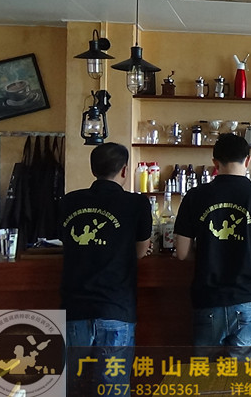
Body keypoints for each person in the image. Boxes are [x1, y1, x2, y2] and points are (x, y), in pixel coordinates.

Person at [174, 133, 251, 353]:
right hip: (248, 298)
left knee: (207, 373)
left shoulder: (194, 196)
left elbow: (182, 252)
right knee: (242, 375)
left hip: (208, 299)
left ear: (215, 163)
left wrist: (209, 252)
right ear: (248, 160)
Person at [59, 142, 151, 393]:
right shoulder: (137, 204)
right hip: (116, 308)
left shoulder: (68, 201)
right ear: (125, 170)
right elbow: (141, 251)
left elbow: (64, 242)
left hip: (74, 309)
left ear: (93, 170)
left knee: (71, 389)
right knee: (113, 389)